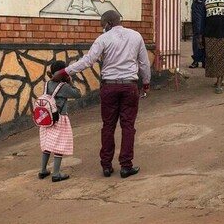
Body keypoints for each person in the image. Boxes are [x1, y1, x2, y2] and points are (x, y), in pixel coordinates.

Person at [54, 10, 151, 179]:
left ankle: (106, 166)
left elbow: (88, 61)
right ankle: (126, 166)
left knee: (108, 126)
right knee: (128, 126)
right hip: (129, 86)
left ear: (108, 23)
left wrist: (64, 71)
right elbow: (144, 63)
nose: (102, 28)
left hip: (109, 87)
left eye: (102, 25)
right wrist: (146, 83)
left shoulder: (103, 39)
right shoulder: (136, 36)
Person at [37, 60, 82, 183]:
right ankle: (56, 173)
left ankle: (43, 170)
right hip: (59, 118)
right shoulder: (64, 87)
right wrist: (70, 82)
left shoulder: (47, 84)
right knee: (59, 144)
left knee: (47, 143)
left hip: (46, 118)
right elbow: (78, 94)